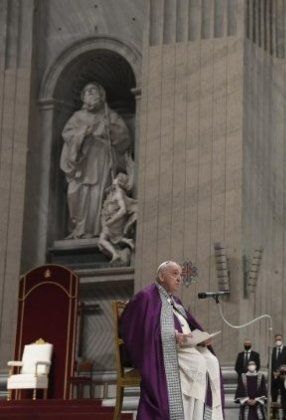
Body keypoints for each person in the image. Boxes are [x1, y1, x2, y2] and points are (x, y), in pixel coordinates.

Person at [120, 260, 223, 419]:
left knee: (212, 361)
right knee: (199, 363)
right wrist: (172, 336)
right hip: (160, 350)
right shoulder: (146, 296)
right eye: (174, 274)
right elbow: (135, 329)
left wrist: (201, 338)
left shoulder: (176, 301)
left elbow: (189, 324)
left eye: (180, 275)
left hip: (184, 347)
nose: (179, 278)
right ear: (161, 276)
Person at [60, 82, 131, 239]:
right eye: (87, 91)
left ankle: (97, 230)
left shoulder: (109, 115)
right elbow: (67, 135)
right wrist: (82, 133)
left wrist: (110, 129)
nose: (90, 94)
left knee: (98, 194)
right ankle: (78, 228)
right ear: (83, 97)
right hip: (81, 164)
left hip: (101, 161)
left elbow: (124, 139)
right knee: (75, 194)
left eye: (93, 91)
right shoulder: (77, 117)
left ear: (101, 95)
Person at [271, 334, 286, 418]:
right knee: (274, 397)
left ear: (282, 339)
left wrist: (280, 372)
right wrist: (273, 372)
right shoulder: (272, 350)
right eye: (276, 339)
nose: (278, 341)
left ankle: (285, 415)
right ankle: (274, 415)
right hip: (274, 378)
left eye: (279, 339)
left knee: (284, 397)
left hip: (283, 378)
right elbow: (271, 363)